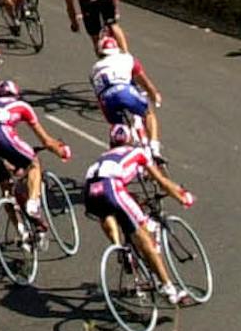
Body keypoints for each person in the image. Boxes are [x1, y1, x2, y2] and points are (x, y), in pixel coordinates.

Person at [84, 124, 198, 305]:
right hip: (112, 187)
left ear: (110, 142)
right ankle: (168, 288)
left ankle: (121, 248)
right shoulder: (138, 152)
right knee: (144, 237)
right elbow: (161, 181)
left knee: (107, 212)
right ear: (130, 140)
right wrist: (182, 197)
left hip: (90, 190)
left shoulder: (102, 157)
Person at [0, 80, 71, 232]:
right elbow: (46, 141)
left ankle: (21, 231)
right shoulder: (21, 105)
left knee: (6, 186)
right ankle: (32, 204)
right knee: (33, 163)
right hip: (1, 134)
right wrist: (62, 151)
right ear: (16, 95)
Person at [90, 33, 165, 156]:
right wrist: (154, 94)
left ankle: (118, 155)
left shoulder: (94, 69)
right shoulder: (127, 58)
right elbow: (145, 82)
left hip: (106, 99)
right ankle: (154, 147)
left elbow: (98, 94)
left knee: (118, 130)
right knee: (148, 113)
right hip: (124, 91)